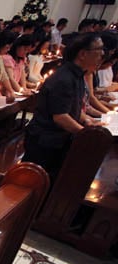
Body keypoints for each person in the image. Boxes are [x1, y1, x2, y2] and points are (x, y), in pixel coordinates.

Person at [23, 33, 104, 184]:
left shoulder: (77, 75)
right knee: (33, 182)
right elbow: (60, 116)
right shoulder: (64, 78)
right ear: (82, 54)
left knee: (51, 181)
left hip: (58, 140)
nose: (102, 54)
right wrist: (85, 135)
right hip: (45, 141)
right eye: (99, 50)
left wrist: (87, 120)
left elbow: (73, 107)